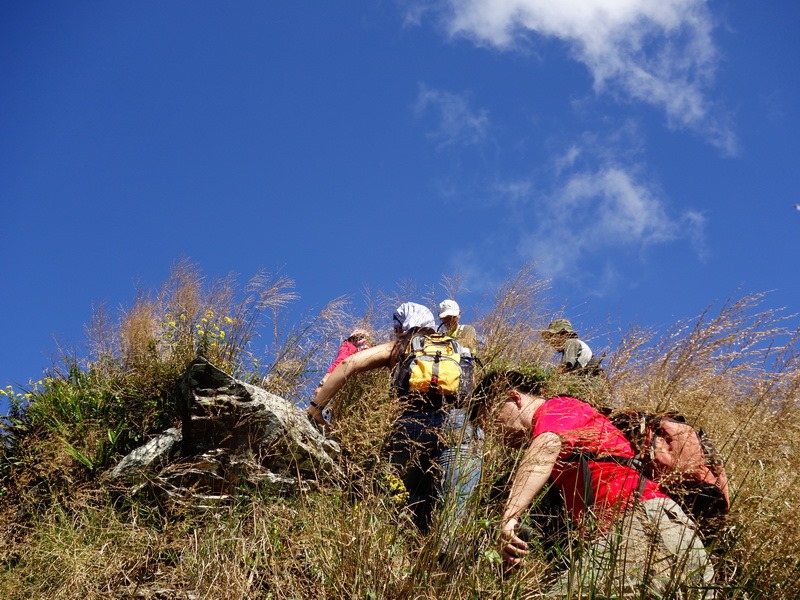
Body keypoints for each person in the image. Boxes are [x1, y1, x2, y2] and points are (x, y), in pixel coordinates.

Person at [474, 370, 715, 598]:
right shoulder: (572, 442)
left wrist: (508, 518)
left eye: (494, 423)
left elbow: (544, 449)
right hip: (656, 533)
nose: (498, 436)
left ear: (513, 398)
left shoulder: (559, 407)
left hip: (643, 526)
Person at [306, 302, 482, 540]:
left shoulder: (402, 345)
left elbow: (349, 363)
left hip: (411, 425)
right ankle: (446, 560)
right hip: (457, 426)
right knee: (454, 509)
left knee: (394, 499)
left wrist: (317, 408)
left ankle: (397, 546)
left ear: (402, 327)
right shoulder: (458, 348)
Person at [311, 328, 373, 418]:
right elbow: (341, 361)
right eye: (359, 338)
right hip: (350, 384)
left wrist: (323, 383)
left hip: (351, 386)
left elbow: (341, 362)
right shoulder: (349, 346)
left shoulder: (349, 345)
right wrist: (324, 382)